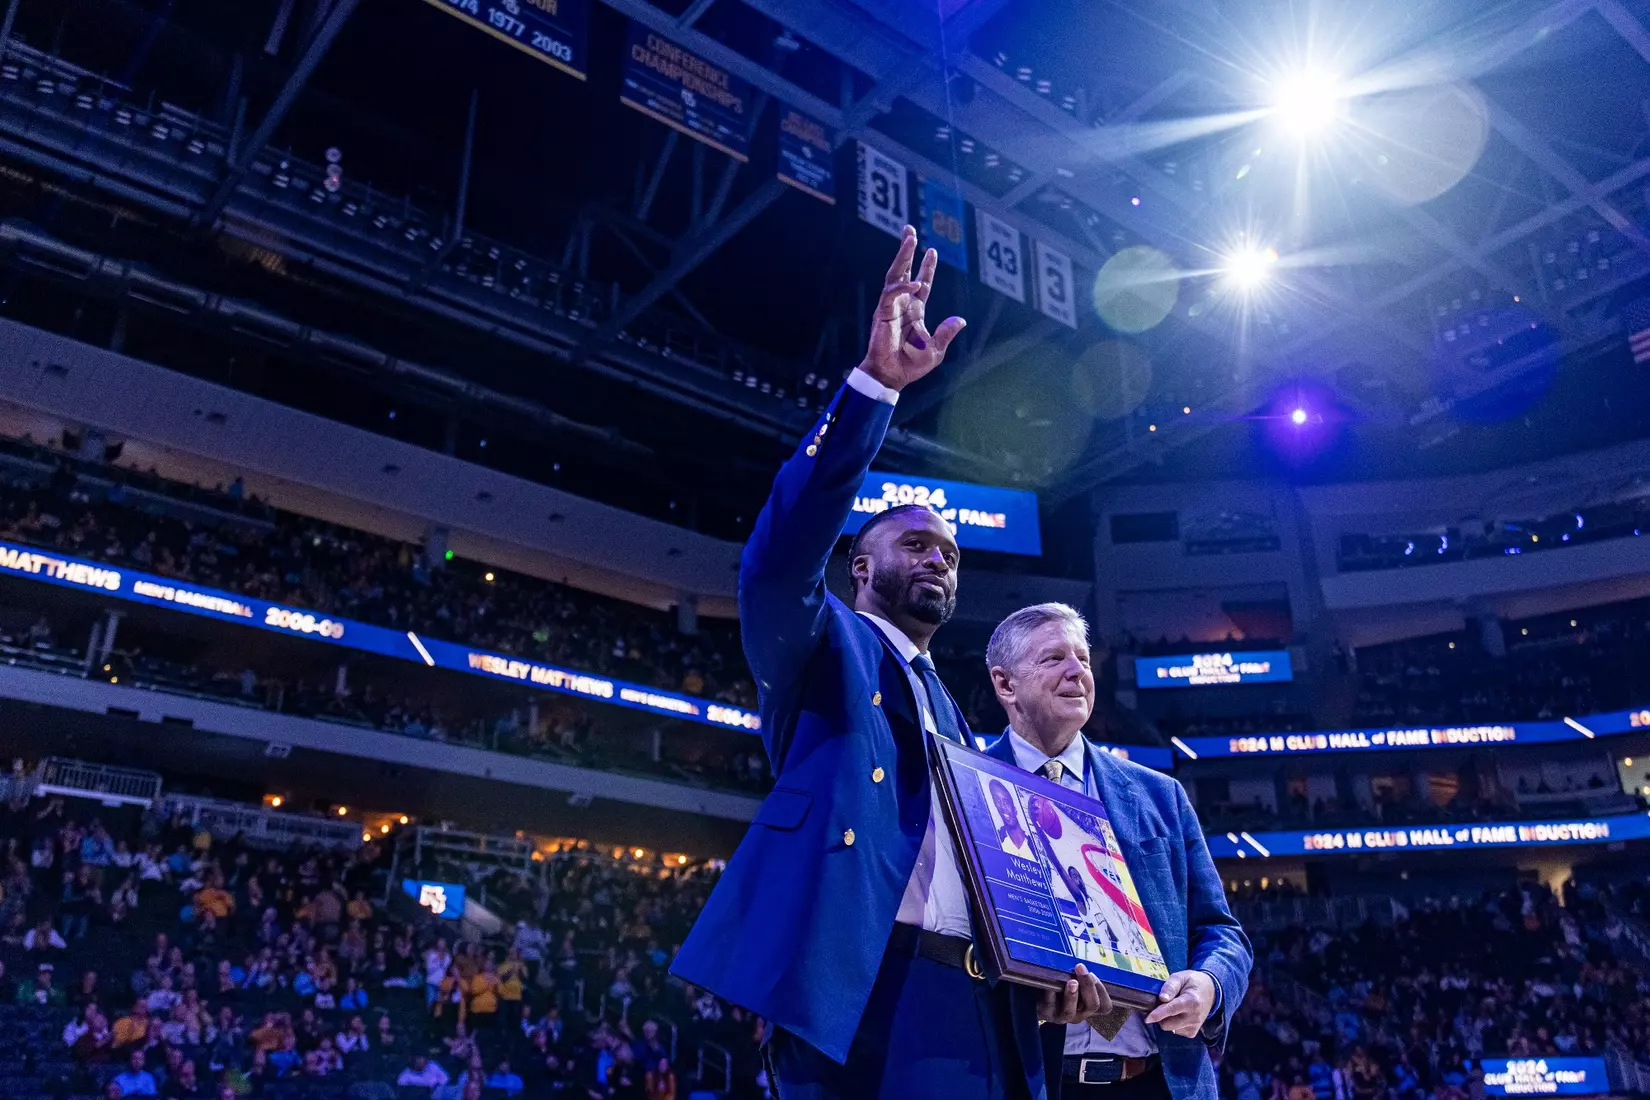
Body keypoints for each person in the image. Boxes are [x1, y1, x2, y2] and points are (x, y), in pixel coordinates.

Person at [672, 226, 1101, 1100]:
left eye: (950, 553)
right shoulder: (820, 644)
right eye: (915, 544)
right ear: (860, 568)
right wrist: (875, 389)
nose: (939, 557)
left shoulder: (962, 721)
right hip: (861, 990)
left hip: (981, 1001)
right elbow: (779, 556)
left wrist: (1056, 966)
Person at [980, 603, 1253, 1100]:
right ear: (1005, 684)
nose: (1076, 671)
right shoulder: (969, 791)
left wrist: (1210, 986)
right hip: (1030, 1080)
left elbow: (1222, 933)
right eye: (1053, 658)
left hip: (1160, 1081)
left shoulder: (1160, 795)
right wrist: (1022, 1004)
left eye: (1083, 659)